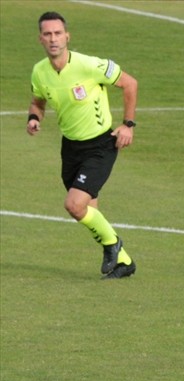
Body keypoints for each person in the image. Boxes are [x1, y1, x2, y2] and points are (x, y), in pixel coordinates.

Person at [27, 11, 137, 280]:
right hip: (71, 148)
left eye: (58, 33)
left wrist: (128, 124)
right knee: (89, 212)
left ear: (67, 36)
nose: (53, 39)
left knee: (74, 205)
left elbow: (129, 83)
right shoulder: (40, 71)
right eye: (47, 34)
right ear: (40, 38)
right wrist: (33, 118)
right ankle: (124, 262)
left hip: (101, 145)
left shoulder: (90, 65)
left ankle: (112, 247)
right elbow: (38, 101)